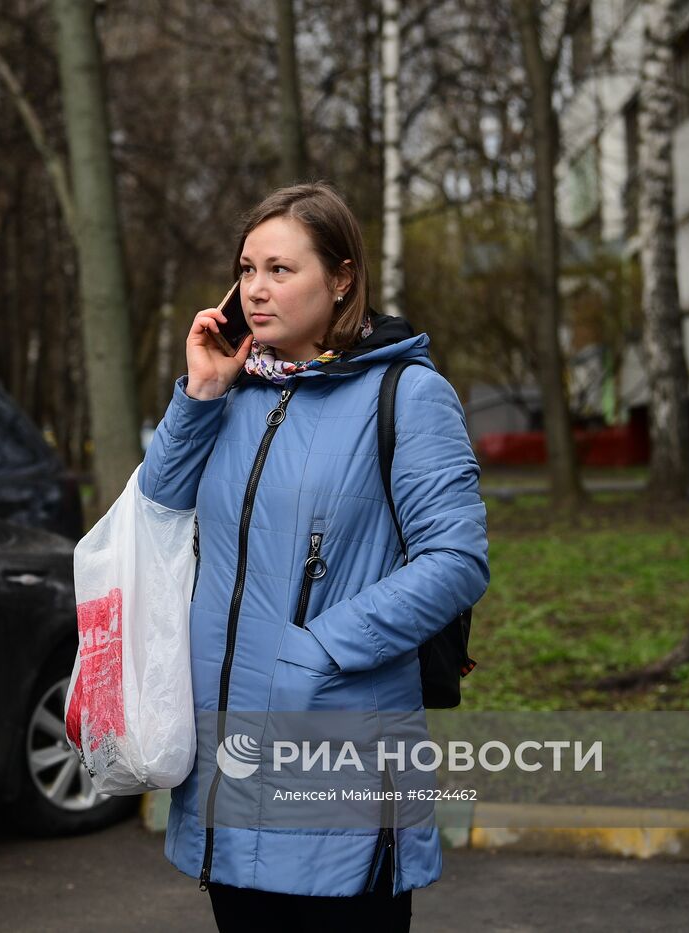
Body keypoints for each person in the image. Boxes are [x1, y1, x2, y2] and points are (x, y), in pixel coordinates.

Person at [139, 182, 490, 931]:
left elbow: (457, 558)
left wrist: (315, 652)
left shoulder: (407, 394)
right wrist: (199, 391)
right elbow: (160, 505)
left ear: (341, 278)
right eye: (246, 270)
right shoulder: (232, 395)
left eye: (280, 270)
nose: (255, 291)